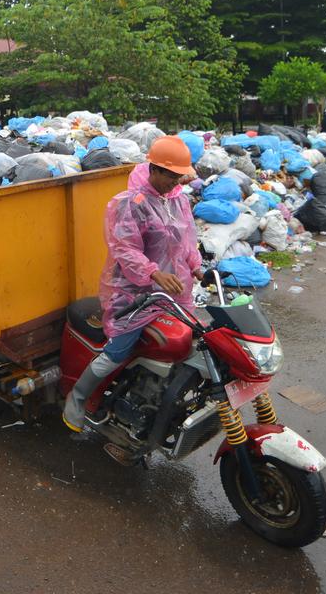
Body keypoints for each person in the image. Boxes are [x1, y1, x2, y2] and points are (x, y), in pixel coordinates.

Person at [63, 135, 202, 432]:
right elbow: (124, 249)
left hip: (171, 289)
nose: (176, 181)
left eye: (180, 176)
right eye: (171, 176)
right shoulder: (129, 203)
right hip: (133, 291)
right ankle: (76, 398)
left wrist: (196, 266)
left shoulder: (177, 198)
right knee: (119, 349)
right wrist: (153, 273)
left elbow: (186, 241)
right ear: (154, 169)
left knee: (186, 340)